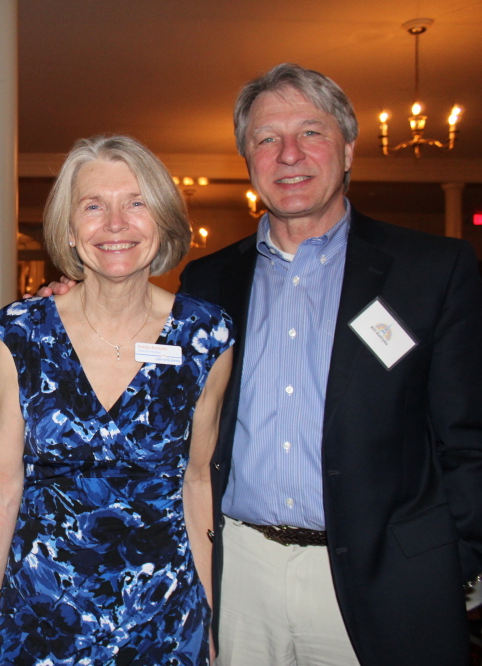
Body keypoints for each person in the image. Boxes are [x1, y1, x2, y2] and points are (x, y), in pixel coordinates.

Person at [180, 63, 482, 665]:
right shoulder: (206, 282)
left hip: (387, 576)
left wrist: (463, 563)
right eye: (266, 139)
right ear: (248, 160)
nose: (288, 154)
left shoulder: (432, 271)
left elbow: (467, 437)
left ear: (347, 149)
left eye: (310, 133)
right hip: (241, 573)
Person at [0, 135, 234, 665]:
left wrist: (212, 616)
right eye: (94, 206)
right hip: (41, 618)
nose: (115, 223)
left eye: (136, 203)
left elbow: (197, 481)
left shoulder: (206, 336)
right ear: (70, 231)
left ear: (163, 221)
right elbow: (5, 484)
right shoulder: (21, 332)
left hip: (164, 619)